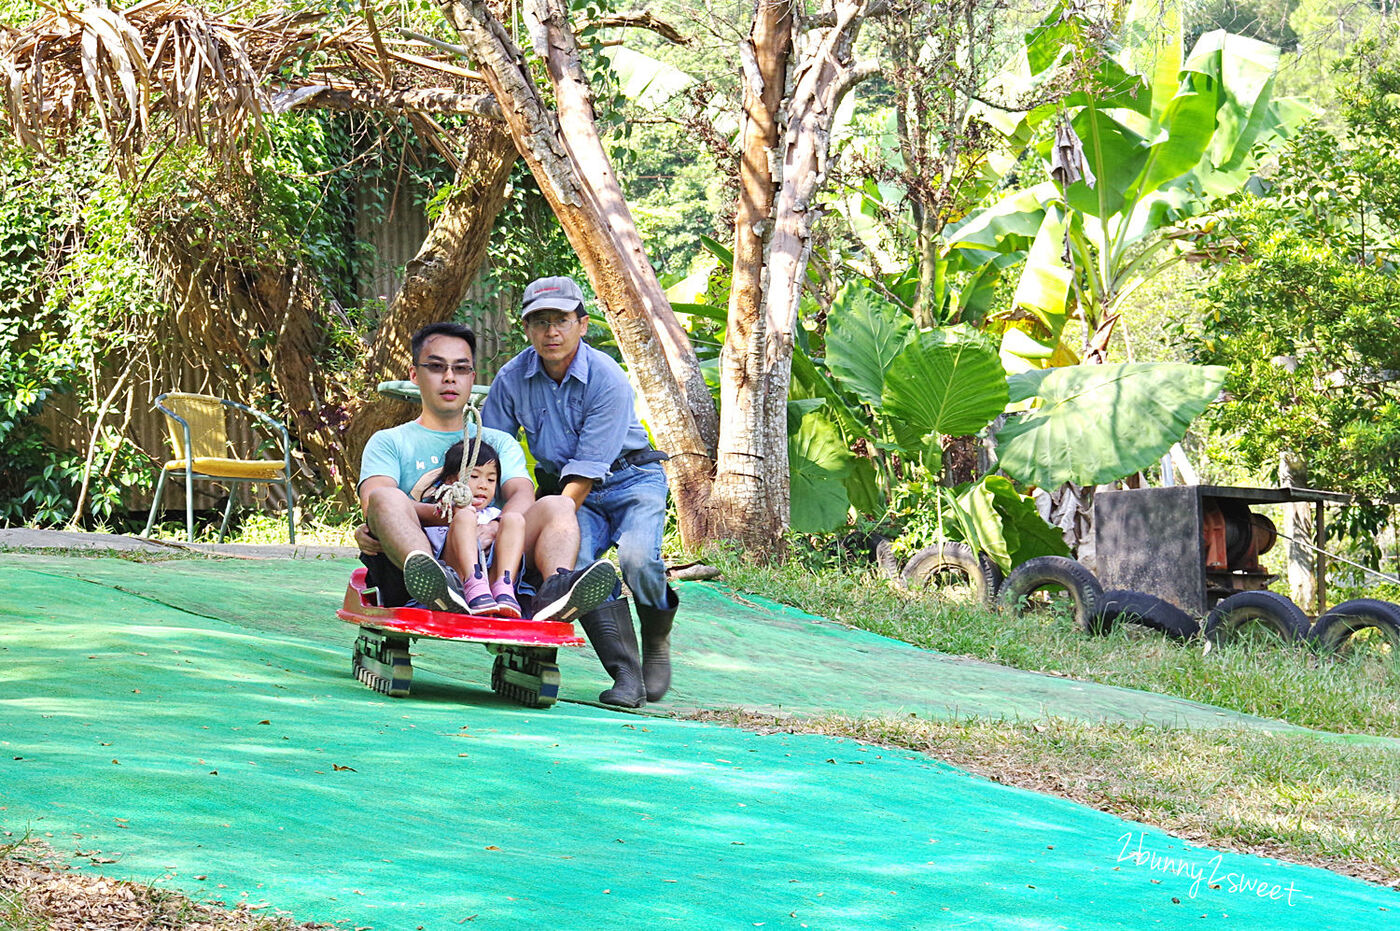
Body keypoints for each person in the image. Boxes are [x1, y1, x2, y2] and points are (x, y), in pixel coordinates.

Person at [483, 277, 679, 708]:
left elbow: (590, 466)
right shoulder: (512, 377)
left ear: (582, 325)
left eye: (561, 320)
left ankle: (656, 635)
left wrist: (550, 517)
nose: (551, 332)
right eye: (539, 322)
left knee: (638, 560)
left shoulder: (607, 378)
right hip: (568, 491)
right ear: (527, 329)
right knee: (580, 571)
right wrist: (494, 516)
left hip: (631, 479)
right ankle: (627, 675)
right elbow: (491, 451)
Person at [356, 321, 617, 623]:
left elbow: (521, 493)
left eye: (461, 369)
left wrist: (494, 525)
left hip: (494, 560)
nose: (450, 378)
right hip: (418, 558)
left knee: (558, 504)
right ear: (415, 375)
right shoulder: (390, 441)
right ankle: (438, 581)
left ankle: (554, 589)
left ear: (472, 377)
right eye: (437, 367)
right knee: (386, 497)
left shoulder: (497, 441)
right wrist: (453, 514)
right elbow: (375, 505)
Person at [421, 439, 524, 618]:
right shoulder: (441, 512)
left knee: (514, 519)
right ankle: (473, 583)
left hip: (490, 581)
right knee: (466, 515)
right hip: (455, 579)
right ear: (451, 480)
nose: (483, 485)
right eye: (474, 476)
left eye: (491, 479)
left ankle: (504, 587)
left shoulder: (493, 515)